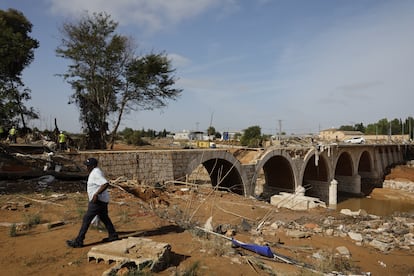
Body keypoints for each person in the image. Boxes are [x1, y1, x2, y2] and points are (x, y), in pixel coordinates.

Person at [66, 158, 118, 248]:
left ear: (93, 166)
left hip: (97, 202)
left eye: (88, 166)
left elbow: (105, 183)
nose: (87, 167)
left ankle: (79, 241)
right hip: (101, 201)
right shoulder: (96, 171)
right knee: (104, 218)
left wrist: (96, 194)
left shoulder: (95, 173)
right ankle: (113, 236)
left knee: (86, 219)